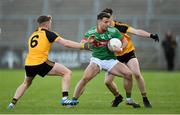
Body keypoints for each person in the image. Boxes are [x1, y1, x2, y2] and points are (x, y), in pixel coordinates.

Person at [7, 15, 92, 109]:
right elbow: (66, 43)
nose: (51, 24)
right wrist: (84, 46)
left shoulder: (33, 35)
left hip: (28, 64)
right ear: (47, 24)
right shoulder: (49, 33)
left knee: (26, 83)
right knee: (67, 72)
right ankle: (64, 99)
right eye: (50, 22)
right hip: (40, 63)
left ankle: (12, 104)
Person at [68, 12, 134, 107]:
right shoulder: (91, 32)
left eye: (109, 22)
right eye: (106, 22)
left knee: (128, 74)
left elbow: (125, 41)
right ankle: (73, 102)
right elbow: (82, 43)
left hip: (111, 60)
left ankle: (128, 99)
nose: (108, 24)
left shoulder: (113, 31)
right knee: (85, 78)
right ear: (99, 21)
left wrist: (120, 49)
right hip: (97, 60)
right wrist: (89, 42)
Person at [101, 8, 159, 108]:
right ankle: (118, 97)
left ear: (112, 17)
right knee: (107, 82)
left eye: (108, 17)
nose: (106, 20)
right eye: (104, 18)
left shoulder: (120, 26)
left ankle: (145, 98)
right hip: (115, 58)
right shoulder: (102, 30)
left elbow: (136, 31)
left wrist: (151, 35)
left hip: (128, 54)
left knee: (136, 74)